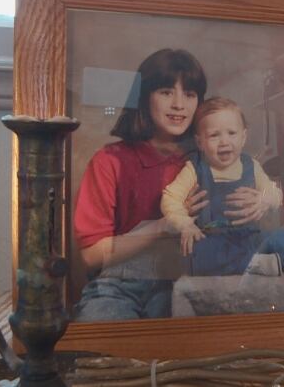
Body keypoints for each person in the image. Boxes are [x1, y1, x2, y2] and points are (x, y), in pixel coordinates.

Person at [72, 48, 215, 322]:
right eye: (165, 92)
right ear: (144, 97)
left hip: (187, 280)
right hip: (120, 286)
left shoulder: (207, 161)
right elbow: (91, 256)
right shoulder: (110, 161)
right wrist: (163, 226)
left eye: (189, 94)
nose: (179, 104)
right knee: (100, 342)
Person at [160, 97, 284, 276]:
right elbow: (170, 197)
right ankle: (254, 263)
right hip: (212, 239)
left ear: (243, 137)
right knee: (196, 253)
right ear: (200, 143)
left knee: (283, 238)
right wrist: (185, 224)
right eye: (214, 135)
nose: (224, 142)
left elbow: (275, 193)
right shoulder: (195, 169)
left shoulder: (251, 165)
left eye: (231, 133)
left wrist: (264, 199)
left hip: (251, 236)